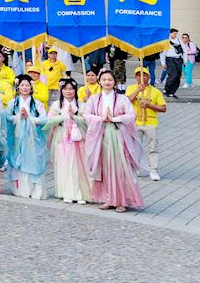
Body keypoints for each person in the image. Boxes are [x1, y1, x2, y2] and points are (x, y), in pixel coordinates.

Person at [83, 70, 144, 212]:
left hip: (118, 135)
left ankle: (121, 200)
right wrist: (101, 118)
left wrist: (115, 119)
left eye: (110, 79)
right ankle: (109, 198)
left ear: (114, 82)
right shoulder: (94, 99)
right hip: (101, 135)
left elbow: (131, 115)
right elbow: (86, 114)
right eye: (104, 79)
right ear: (99, 82)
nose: (107, 82)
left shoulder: (122, 99)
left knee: (120, 168)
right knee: (105, 167)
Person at [43, 80, 91, 204]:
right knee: (64, 164)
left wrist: (75, 116)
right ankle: (66, 192)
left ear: (75, 90)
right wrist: (64, 116)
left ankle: (80, 193)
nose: (68, 91)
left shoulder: (81, 105)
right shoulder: (56, 105)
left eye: (71, 89)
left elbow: (87, 121)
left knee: (79, 165)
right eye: (65, 89)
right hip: (62, 137)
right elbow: (50, 120)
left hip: (78, 138)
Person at [6, 74, 48, 199]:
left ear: (31, 87)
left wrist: (29, 118)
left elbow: (44, 119)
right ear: (18, 87)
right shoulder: (13, 103)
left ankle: (35, 190)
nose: (25, 88)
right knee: (18, 160)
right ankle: (20, 189)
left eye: (27, 85)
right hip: (17, 137)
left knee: (33, 161)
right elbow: (7, 117)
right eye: (22, 85)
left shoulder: (37, 103)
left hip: (33, 137)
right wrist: (18, 116)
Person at [126, 68, 166, 181]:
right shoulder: (130, 88)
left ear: (148, 77)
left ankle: (153, 170)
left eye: (144, 75)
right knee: (134, 147)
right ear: (135, 77)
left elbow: (163, 108)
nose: (141, 78)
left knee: (152, 148)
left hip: (150, 123)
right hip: (135, 122)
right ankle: (136, 168)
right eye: (138, 75)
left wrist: (149, 105)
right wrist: (138, 90)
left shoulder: (156, 91)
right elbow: (126, 101)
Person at [161, 29, 184, 98]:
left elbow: (184, 50)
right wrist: (163, 63)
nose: (175, 35)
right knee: (173, 75)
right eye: (174, 33)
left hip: (178, 59)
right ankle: (166, 89)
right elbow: (162, 53)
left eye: (176, 34)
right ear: (170, 33)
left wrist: (185, 60)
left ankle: (172, 92)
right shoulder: (166, 41)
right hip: (170, 59)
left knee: (178, 76)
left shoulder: (179, 41)